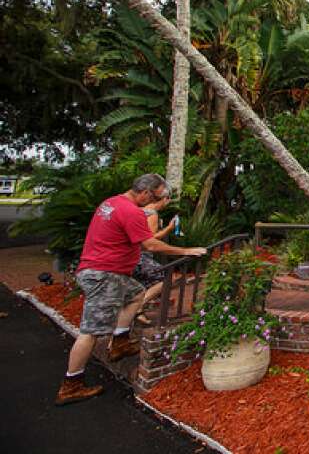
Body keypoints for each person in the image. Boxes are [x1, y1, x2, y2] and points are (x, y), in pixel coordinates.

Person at [55, 173, 207, 406]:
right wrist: (186, 251)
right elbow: (150, 244)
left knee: (136, 294)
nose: (156, 202)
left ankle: (120, 341)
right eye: (156, 197)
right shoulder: (132, 212)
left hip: (107, 273)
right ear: (145, 193)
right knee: (91, 331)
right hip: (104, 275)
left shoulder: (111, 203)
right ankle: (71, 383)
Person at [131, 191, 177, 324]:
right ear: (164, 199)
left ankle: (136, 315)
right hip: (140, 256)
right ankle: (137, 307)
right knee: (168, 278)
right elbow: (149, 239)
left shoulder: (138, 210)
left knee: (141, 286)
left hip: (130, 254)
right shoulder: (152, 214)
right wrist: (168, 228)